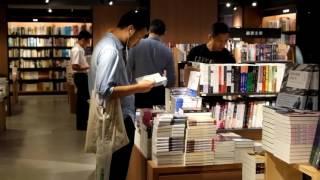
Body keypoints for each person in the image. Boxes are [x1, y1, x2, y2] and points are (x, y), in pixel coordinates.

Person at [89, 9, 154, 180]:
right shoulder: (111, 51)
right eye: (139, 37)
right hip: (118, 120)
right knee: (117, 170)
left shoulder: (112, 45)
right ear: (131, 29)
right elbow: (105, 90)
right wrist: (138, 87)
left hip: (118, 116)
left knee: (113, 168)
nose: (138, 42)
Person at [127, 19, 176, 108]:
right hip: (158, 93)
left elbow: (128, 69)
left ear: (149, 30)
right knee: (156, 119)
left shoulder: (135, 45)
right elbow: (171, 79)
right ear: (165, 32)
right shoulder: (167, 51)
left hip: (138, 90)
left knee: (138, 119)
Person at [70, 30, 91, 130]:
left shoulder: (79, 49)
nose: (88, 44)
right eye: (87, 42)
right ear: (83, 40)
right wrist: (88, 67)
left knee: (82, 100)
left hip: (81, 76)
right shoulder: (77, 50)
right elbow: (74, 66)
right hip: (80, 76)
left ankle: (82, 123)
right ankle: (82, 124)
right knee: (83, 101)